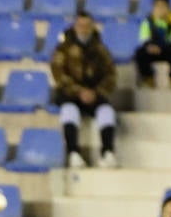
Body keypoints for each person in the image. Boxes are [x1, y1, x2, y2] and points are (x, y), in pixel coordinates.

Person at [50, 11, 119, 169]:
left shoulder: (101, 50)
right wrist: (79, 91)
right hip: (70, 94)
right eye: (80, 25)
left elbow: (111, 75)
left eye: (87, 26)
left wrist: (97, 92)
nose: (84, 29)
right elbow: (58, 74)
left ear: (92, 27)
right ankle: (73, 153)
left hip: (95, 94)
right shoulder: (63, 49)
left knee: (107, 111)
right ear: (75, 26)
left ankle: (108, 152)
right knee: (69, 110)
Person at [134, 0, 171, 89]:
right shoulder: (148, 21)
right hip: (152, 50)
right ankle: (148, 78)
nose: (160, 9)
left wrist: (161, 47)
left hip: (167, 50)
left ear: (168, 8)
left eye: (163, 6)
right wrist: (150, 46)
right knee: (140, 52)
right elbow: (144, 39)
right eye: (157, 6)